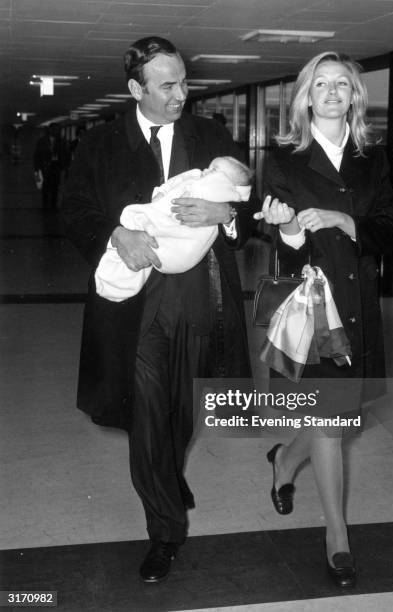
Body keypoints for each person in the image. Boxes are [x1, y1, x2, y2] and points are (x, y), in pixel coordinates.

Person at [62, 36, 256, 583]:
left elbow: (247, 213)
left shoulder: (211, 136)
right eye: (167, 85)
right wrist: (114, 233)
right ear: (135, 89)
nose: (180, 94)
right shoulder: (100, 143)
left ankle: (168, 475)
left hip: (199, 295)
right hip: (136, 304)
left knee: (183, 407)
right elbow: (73, 208)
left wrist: (224, 212)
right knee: (147, 410)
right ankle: (165, 529)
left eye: (184, 82)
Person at [255, 51, 393, 588]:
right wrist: (287, 229)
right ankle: (337, 535)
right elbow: (285, 249)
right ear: (306, 96)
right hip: (315, 308)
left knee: (333, 418)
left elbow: (388, 230)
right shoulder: (285, 158)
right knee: (331, 421)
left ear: (354, 97)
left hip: (359, 307)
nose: (333, 92)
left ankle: (284, 464)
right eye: (322, 84)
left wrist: (344, 219)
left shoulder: (373, 157)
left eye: (343, 84)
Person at [95, 155, 253, 301]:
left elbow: (249, 203)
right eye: (209, 167)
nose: (206, 171)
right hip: (135, 264)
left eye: (214, 170)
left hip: (196, 286)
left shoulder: (216, 140)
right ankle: (115, 282)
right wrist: (115, 233)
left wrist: (227, 212)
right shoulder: (102, 139)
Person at [33, 123, 65, 209]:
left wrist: (63, 166)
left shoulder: (61, 141)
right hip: (45, 168)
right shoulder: (42, 141)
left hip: (56, 168)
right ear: (50, 130)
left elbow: (64, 154)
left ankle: (54, 205)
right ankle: (45, 205)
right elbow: (37, 155)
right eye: (55, 129)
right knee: (45, 188)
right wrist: (37, 169)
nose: (57, 131)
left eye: (58, 129)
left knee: (55, 188)